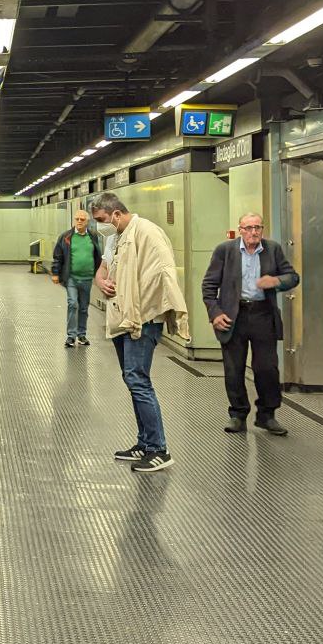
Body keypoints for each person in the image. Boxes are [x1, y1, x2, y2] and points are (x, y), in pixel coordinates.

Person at [90, 192, 189, 473]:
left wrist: (151, 312)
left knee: (138, 379)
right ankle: (144, 443)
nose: (101, 226)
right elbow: (104, 268)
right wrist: (101, 281)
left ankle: (159, 449)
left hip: (143, 319)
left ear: (117, 214)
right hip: (125, 316)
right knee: (131, 378)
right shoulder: (115, 237)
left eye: (101, 220)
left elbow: (163, 275)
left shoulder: (148, 233)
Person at [201, 213, 300, 436]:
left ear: (262, 229)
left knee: (267, 369)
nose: (253, 232)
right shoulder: (225, 251)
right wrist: (215, 313)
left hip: (263, 315)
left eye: (257, 227)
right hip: (233, 317)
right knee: (233, 369)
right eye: (248, 228)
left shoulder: (272, 249)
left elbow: (292, 277)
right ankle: (237, 414)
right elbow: (208, 286)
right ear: (240, 230)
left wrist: (276, 281)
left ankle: (267, 415)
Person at [51, 209, 102, 348]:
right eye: (77, 219)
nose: (79, 222)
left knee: (84, 308)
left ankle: (82, 334)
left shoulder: (92, 236)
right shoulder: (66, 237)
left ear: (87, 222)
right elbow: (58, 256)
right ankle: (71, 336)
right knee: (73, 304)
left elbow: (98, 256)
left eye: (82, 219)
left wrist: (99, 274)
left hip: (87, 278)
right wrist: (55, 273)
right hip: (71, 277)